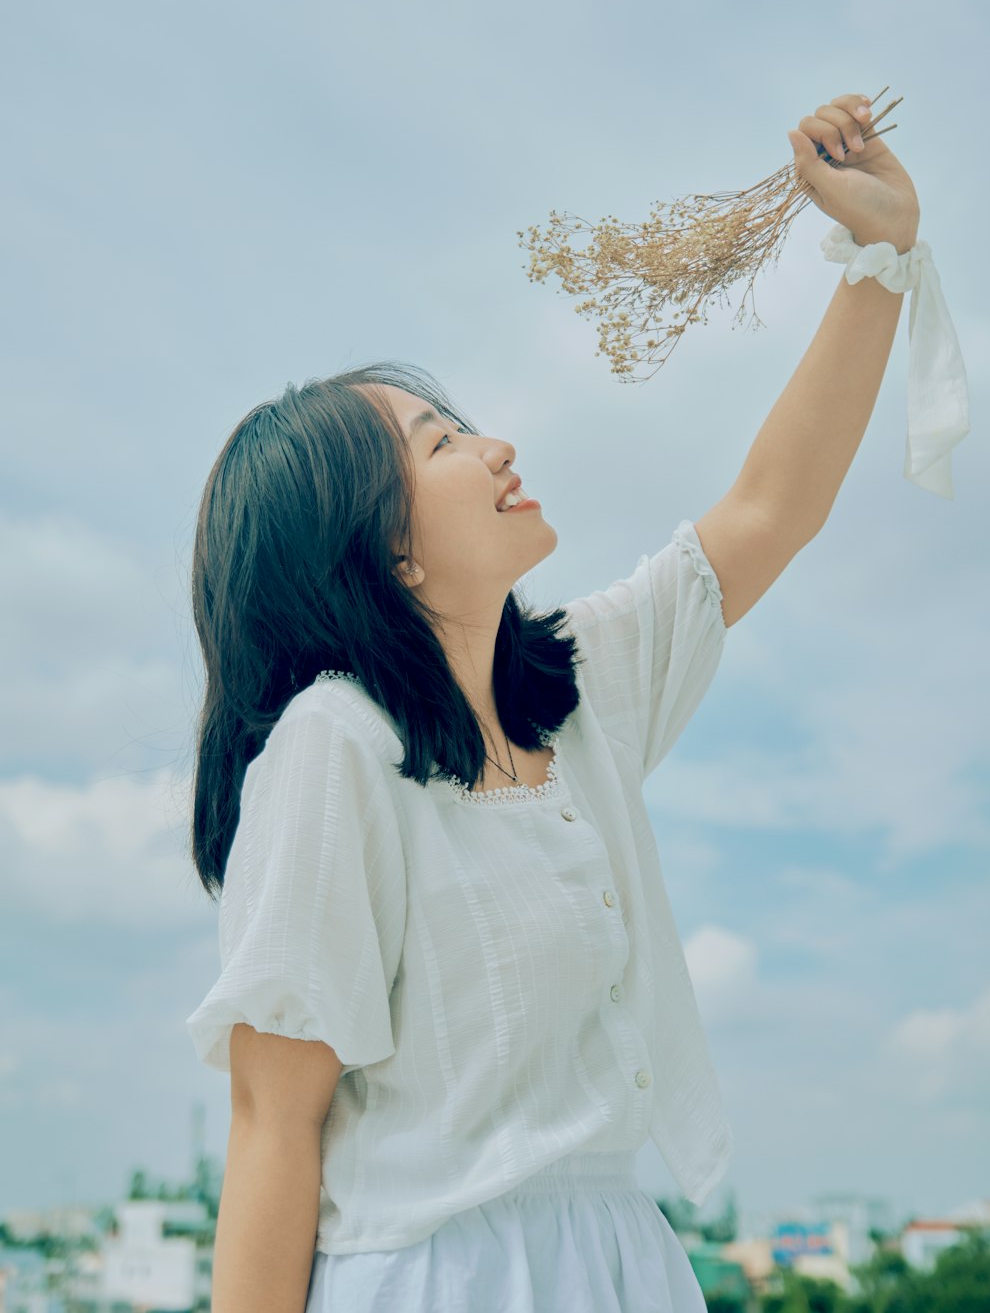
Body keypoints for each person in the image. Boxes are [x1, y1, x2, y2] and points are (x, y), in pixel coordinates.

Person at [185, 92, 923, 1312]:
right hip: (439, 1276)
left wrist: (879, 261)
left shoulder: (575, 691)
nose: (494, 448)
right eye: (440, 445)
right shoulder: (334, 750)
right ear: (380, 553)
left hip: (622, 1263)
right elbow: (273, 1127)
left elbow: (766, 511)